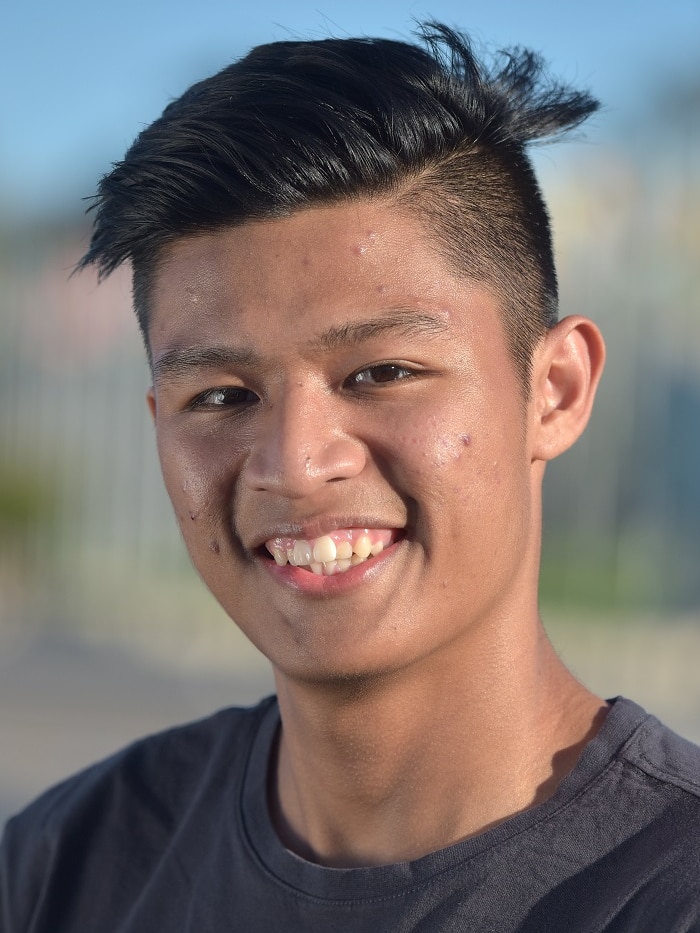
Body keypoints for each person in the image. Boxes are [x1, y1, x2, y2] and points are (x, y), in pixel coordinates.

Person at [1, 22, 699, 932]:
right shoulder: (63, 869)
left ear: (555, 391)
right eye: (220, 395)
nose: (295, 462)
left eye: (381, 373)